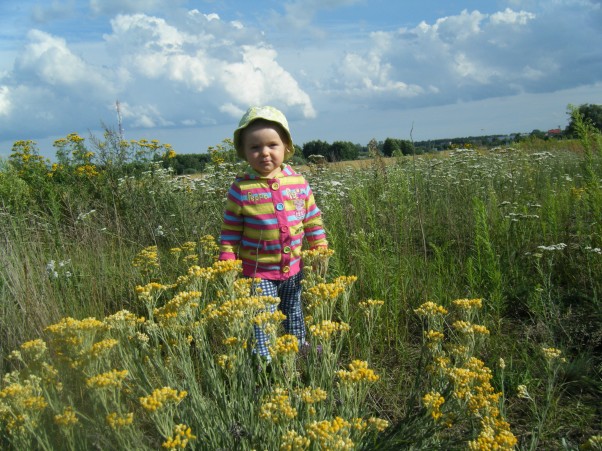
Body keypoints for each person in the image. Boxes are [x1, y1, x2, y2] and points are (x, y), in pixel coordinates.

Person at [219, 106, 328, 360]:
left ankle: (298, 349)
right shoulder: (241, 187)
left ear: (286, 146)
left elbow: (312, 219)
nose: (264, 153)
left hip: (294, 267)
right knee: (263, 317)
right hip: (258, 272)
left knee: (294, 310)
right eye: (255, 147)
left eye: (272, 145)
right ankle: (263, 360)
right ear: (244, 152)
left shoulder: (298, 182)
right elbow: (231, 229)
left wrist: (319, 248)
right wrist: (227, 257)